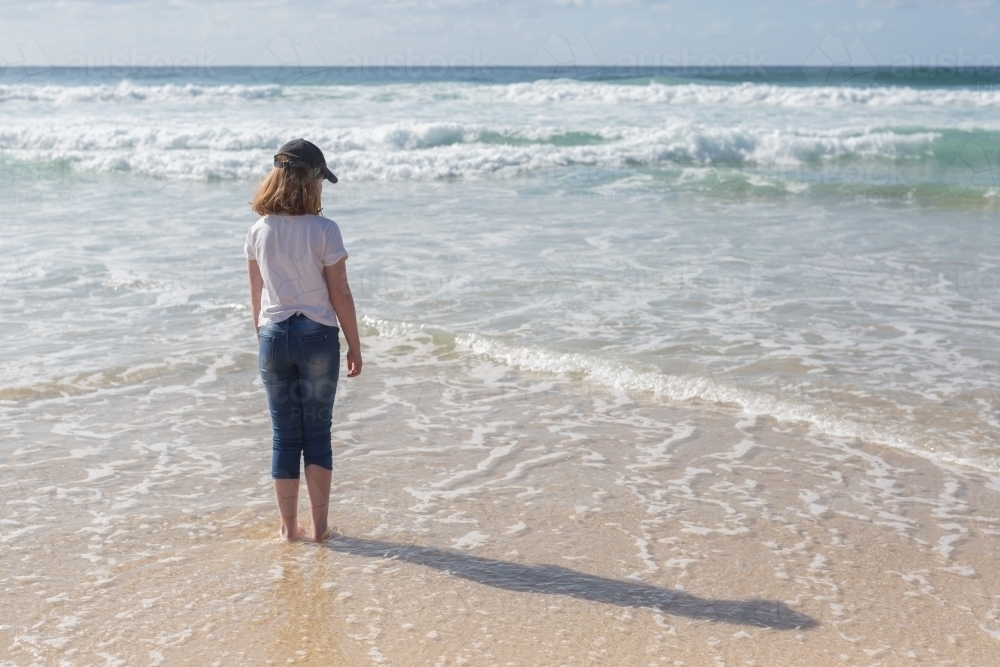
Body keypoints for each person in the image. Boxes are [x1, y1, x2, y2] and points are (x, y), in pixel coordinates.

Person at [244, 138, 362, 542]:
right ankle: (320, 529)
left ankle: (288, 530)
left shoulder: (258, 230)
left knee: (283, 435)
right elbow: (340, 292)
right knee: (317, 434)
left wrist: (265, 339)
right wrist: (355, 345)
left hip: (273, 336)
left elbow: (255, 297)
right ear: (312, 181)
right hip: (317, 336)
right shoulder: (325, 230)